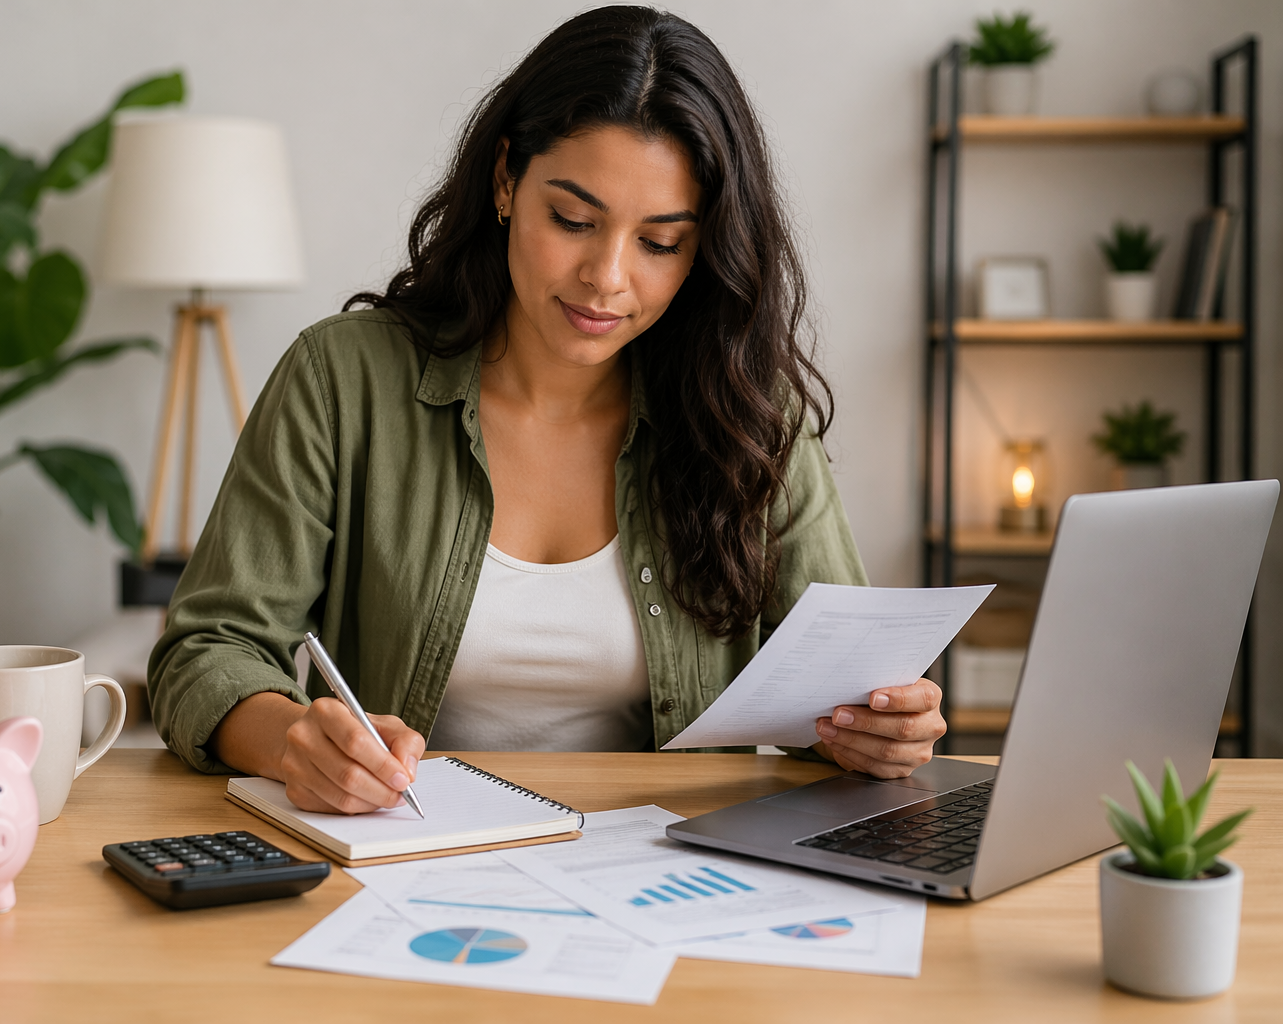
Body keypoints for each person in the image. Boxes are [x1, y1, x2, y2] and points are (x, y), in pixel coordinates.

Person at [148, 6, 946, 813]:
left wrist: (880, 727)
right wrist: (295, 743)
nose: (607, 276)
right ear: (505, 180)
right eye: (573, 220)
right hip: (405, 867)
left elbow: (854, 679)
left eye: (660, 243)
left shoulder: (748, 410)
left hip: (670, 878)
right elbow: (206, 650)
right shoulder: (342, 379)